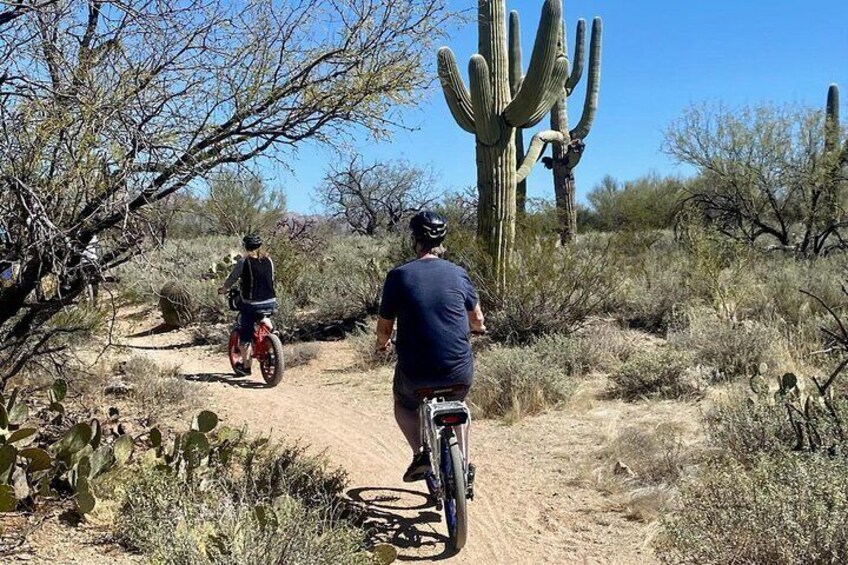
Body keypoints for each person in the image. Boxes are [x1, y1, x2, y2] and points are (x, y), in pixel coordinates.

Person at [375, 211, 486, 482]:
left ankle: (420, 453)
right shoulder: (459, 274)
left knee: (403, 403)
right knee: (457, 401)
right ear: (443, 240)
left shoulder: (398, 276)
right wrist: (478, 330)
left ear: (415, 240)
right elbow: (478, 318)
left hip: (416, 372)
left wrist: (382, 344)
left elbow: (384, 327)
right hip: (457, 371)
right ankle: (462, 462)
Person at [218, 234, 277, 376]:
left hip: (252, 303)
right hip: (270, 301)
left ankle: (246, 366)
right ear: (260, 246)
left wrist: (223, 289)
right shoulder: (269, 260)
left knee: (245, 334)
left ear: (246, 247)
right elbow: (271, 277)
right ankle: (272, 331)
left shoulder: (244, 262)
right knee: (263, 313)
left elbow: (233, 278)